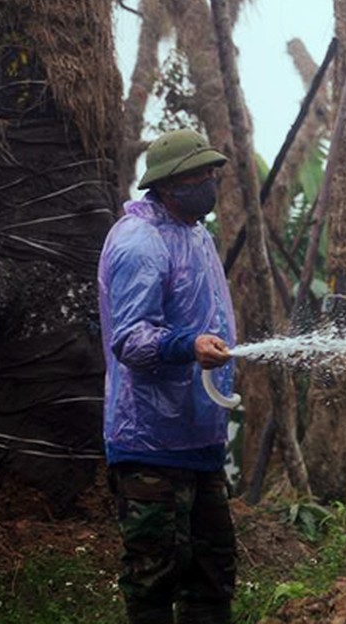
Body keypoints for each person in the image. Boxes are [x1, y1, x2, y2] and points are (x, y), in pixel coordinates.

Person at [98, 129, 237, 624]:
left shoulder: (196, 234)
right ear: (171, 183)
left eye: (213, 173)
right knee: (154, 573)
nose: (211, 182)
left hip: (199, 436)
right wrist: (188, 345)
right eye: (202, 174)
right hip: (149, 440)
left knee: (213, 571)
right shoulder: (140, 242)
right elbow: (130, 339)